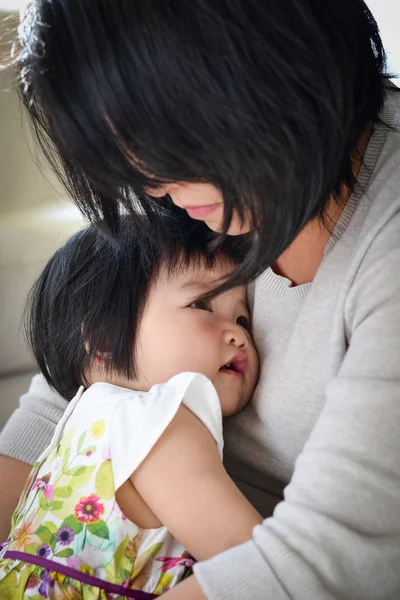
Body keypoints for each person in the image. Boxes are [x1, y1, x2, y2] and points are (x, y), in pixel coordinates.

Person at [1, 0, 400, 598]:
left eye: (154, 145)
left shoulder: (384, 236)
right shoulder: (178, 194)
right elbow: (63, 397)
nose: (147, 186)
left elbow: (322, 565)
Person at [0, 213, 260, 598]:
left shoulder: (83, 417)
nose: (238, 332)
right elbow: (255, 565)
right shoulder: (161, 424)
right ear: (104, 339)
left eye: (242, 317)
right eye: (202, 304)